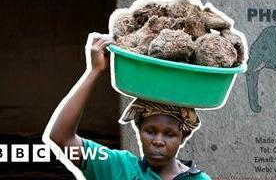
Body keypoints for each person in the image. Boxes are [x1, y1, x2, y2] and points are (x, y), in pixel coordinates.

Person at [43, 33, 211, 180]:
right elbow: (62, 138)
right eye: (150, 131)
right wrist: (94, 71)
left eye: (170, 134)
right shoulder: (118, 167)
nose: (158, 141)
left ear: (184, 136)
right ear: (138, 127)